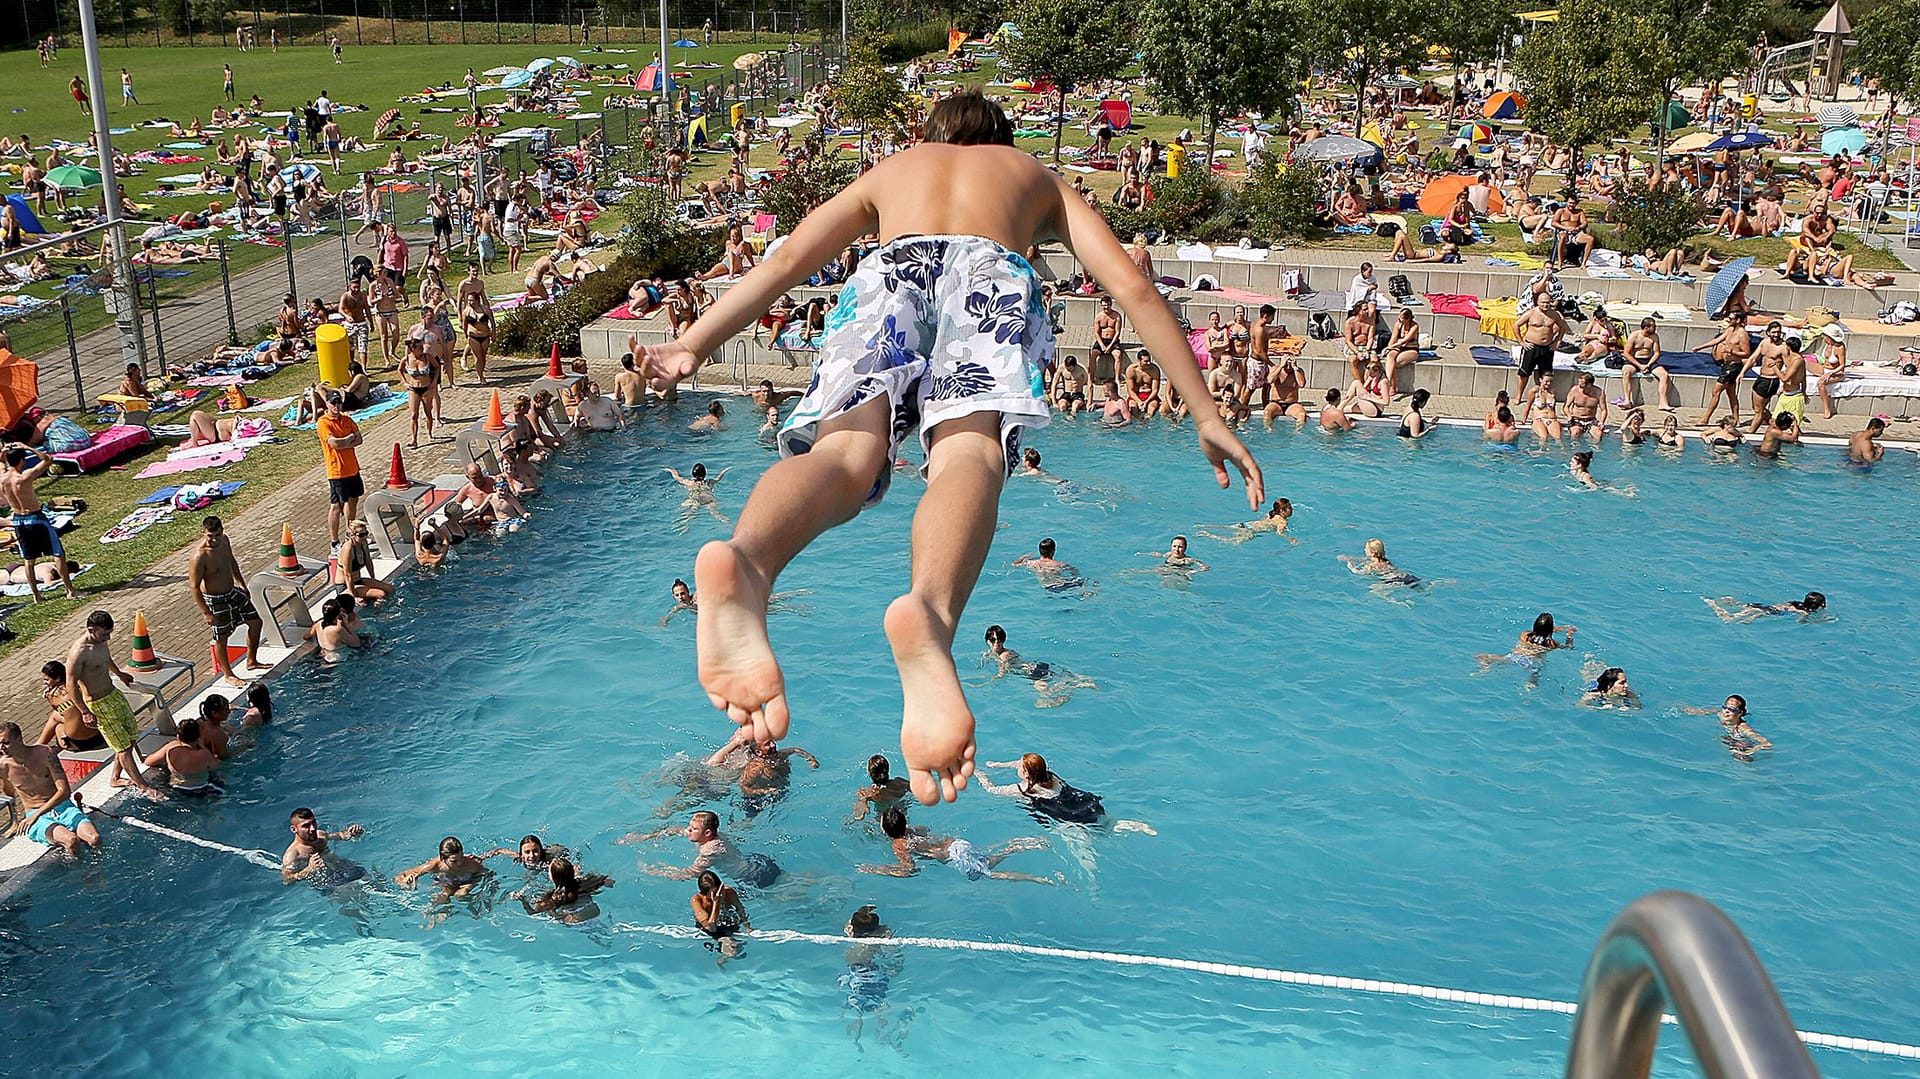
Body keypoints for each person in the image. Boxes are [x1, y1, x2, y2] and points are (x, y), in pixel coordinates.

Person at [632, 91, 1261, 805]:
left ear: (931, 136)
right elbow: (1130, 287)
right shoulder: (1035, 176)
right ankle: (927, 612)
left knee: (843, 456)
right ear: (1003, 136)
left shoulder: (893, 170)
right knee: (969, 457)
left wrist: (692, 342)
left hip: (888, 275)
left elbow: (785, 263)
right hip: (988, 279)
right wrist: (1204, 411)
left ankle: (745, 561)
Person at [65, 611, 160, 796]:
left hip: (113, 695)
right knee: (122, 747)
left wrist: (120, 674)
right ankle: (143, 786)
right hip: (98, 704)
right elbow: (71, 685)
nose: (107, 638)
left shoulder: (100, 642)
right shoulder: (79, 652)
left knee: (131, 736)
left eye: (109, 634)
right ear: (91, 630)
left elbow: (106, 659)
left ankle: (115, 778)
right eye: (104, 634)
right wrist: (84, 712)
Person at [861, 806, 1058, 884]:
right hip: (957, 844)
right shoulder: (914, 829)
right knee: (986, 858)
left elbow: (908, 870)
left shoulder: (898, 845)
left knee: (989, 874)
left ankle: (1038, 879)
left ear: (886, 831)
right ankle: (1018, 845)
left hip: (953, 858)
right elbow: (926, 830)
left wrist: (877, 870)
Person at [976, 752, 1155, 834]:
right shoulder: (1051, 776)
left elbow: (991, 790)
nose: (1016, 765)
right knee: (1108, 823)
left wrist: (979, 773)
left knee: (1081, 847)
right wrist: (999, 765)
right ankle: (1132, 826)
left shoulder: (1021, 790)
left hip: (1067, 819)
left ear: (1026, 774)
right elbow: (1027, 764)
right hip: (1081, 804)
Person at [1, 721, 102, 856]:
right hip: (36, 815)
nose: (1, 747)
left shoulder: (44, 753)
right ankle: (80, 875)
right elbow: (8, 793)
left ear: (19, 739)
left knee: (95, 839)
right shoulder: (3, 767)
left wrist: (38, 814)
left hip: (63, 807)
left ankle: (99, 873)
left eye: (5, 742)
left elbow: (64, 791)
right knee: (71, 840)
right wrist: (15, 821)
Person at [187, 515, 263, 686]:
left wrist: (242, 584)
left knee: (256, 622)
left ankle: (252, 661)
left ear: (222, 531)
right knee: (222, 637)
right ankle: (228, 674)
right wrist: (206, 612)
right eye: (209, 536)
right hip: (215, 601)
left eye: (217, 535)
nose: (214, 540)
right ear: (203, 533)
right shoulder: (200, 556)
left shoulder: (225, 541)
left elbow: (232, 562)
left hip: (232, 592)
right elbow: (194, 587)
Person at [625, 810, 781, 888]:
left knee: (784, 894)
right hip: (757, 861)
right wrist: (646, 836)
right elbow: (676, 829)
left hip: (751, 876)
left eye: (693, 829)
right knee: (786, 879)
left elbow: (690, 874)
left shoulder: (710, 851)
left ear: (707, 833)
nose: (688, 830)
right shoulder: (716, 835)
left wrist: (655, 872)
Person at [1, 444, 79, 601]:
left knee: (29, 560)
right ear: (22, 460)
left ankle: (37, 595)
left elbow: (1, 462)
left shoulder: (2, 478)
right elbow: (47, 459)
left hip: (18, 521)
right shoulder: (24, 477)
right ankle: (70, 591)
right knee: (58, 554)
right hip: (36, 518)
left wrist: (3, 453)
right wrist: (27, 447)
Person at [982, 623, 1097, 708]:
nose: (997, 643)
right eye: (993, 640)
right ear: (987, 640)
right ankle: (1080, 681)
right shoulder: (1004, 651)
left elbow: (1002, 673)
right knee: (1052, 685)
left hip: (1033, 673)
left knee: (1045, 696)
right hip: (1038, 666)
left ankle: (1075, 686)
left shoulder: (1004, 655)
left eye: (1000, 639)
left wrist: (993, 680)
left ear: (1004, 640)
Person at [316, 391, 364, 549]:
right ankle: (334, 542)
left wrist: (345, 442)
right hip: (337, 471)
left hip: (352, 469)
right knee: (336, 505)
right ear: (327, 404)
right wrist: (348, 439)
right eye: (333, 403)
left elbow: (360, 439)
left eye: (338, 402)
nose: (336, 406)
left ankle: (350, 533)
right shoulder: (323, 423)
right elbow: (335, 443)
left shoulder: (347, 419)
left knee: (353, 500)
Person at [1475, 612, 1575, 682]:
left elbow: (1540, 632)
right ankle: (1529, 687)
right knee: (1534, 676)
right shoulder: (1552, 644)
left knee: (1482, 656)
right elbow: (1568, 647)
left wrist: (1558, 629)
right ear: (1550, 629)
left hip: (1515, 657)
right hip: (1532, 663)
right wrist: (1569, 635)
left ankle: (1485, 668)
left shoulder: (1524, 635)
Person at [280, 806, 366, 885]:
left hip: (344, 867)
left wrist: (352, 833)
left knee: (376, 882)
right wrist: (309, 869)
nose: (313, 828)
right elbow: (287, 880)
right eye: (306, 826)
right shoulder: (292, 855)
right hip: (329, 883)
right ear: (294, 829)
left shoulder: (320, 835)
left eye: (313, 823)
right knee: (358, 897)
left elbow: (340, 835)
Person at [1697, 312, 1754, 427]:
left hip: (1734, 366)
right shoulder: (1730, 330)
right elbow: (1717, 340)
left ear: (1738, 320)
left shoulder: (1742, 335)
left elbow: (1747, 353)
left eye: (1732, 318)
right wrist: (1701, 347)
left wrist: (1732, 351)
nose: (1729, 319)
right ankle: (1736, 420)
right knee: (1731, 393)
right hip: (1726, 365)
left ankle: (1706, 418)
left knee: (1716, 391)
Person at [141, 718, 221, 798]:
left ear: (178, 736)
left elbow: (148, 762)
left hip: (177, 790)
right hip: (202, 789)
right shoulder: (204, 754)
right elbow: (217, 765)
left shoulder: (171, 748)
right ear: (198, 736)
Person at [517, 858, 611, 924]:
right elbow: (609, 882)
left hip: (575, 922)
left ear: (553, 878)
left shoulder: (551, 899)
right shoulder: (584, 883)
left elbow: (532, 912)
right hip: (594, 913)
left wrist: (522, 900)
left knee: (554, 914)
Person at [1681, 694, 1773, 760]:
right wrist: (1687, 709)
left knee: (1739, 758)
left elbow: (1767, 743)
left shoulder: (1743, 728)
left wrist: (1749, 751)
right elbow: (1702, 711)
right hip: (1730, 737)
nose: (1726, 711)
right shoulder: (1721, 713)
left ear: (1740, 713)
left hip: (1742, 744)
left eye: (1731, 709)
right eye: (1725, 707)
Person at [36, 661, 102, 752]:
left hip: (78, 744)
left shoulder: (53, 696)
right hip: (98, 737)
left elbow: (59, 711)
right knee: (66, 714)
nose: (44, 682)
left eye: (47, 680)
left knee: (58, 725)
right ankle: (39, 744)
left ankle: (39, 745)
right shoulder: (79, 686)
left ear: (57, 678)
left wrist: (49, 695)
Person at [1513, 300, 1566, 405]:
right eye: (1543, 302)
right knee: (1524, 373)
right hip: (1531, 346)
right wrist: (1521, 342)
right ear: (1538, 303)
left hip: (1547, 347)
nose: (1545, 305)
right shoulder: (1531, 313)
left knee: (1545, 374)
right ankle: (1518, 396)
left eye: (1547, 302)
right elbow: (1516, 325)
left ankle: (1542, 397)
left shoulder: (1554, 315)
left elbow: (1562, 327)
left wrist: (1557, 341)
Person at [691, 869, 751, 962]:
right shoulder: (697, 900)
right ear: (705, 894)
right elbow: (711, 928)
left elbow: (740, 910)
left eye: (720, 889)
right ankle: (721, 959)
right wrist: (716, 903)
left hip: (727, 920)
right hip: (708, 927)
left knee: (738, 945)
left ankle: (724, 955)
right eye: (715, 893)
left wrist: (747, 927)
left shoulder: (729, 892)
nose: (720, 894)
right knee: (730, 948)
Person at [1619, 318, 1671, 411]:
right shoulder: (1634, 336)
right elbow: (1626, 353)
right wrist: (1639, 366)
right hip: (1635, 360)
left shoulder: (1654, 337)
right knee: (1626, 371)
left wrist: (1648, 364)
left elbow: (1657, 353)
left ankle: (1663, 402)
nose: (1655, 328)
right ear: (1646, 327)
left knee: (1664, 375)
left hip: (1648, 360)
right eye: (1653, 326)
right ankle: (1627, 400)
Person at [1196, 498, 1294, 545]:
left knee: (1225, 527)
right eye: (1289, 507)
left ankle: (1203, 526)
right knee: (1232, 542)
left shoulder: (1271, 514)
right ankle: (1208, 535)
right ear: (1282, 510)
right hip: (1250, 531)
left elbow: (1264, 521)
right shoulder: (1282, 522)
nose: (1292, 509)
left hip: (1246, 524)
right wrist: (1290, 539)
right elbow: (1279, 533)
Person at [338, 520, 393, 602]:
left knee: (390, 588)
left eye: (366, 534)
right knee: (380, 594)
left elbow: (368, 561)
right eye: (361, 535)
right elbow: (347, 574)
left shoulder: (363, 543)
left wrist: (373, 578)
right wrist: (353, 596)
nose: (364, 537)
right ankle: (377, 613)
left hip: (358, 580)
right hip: (346, 585)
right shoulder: (348, 548)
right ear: (352, 535)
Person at [1011, 537, 1089, 593]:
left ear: (1039, 551)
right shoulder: (1059, 564)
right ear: (1053, 551)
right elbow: (1075, 572)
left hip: (1046, 587)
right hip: (1060, 586)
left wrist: (1023, 557)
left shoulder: (1031, 563)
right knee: (1084, 581)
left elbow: (1014, 564)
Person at [849, 754, 914, 822]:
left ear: (869, 773)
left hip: (884, 820)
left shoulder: (869, 793)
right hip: (902, 815)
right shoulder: (901, 783)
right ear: (888, 769)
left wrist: (862, 805)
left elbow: (861, 808)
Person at [1704, 592, 1828, 624]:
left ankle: (1732, 603)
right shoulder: (1804, 612)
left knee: (1747, 609)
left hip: (1766, 607)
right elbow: (1800, 621)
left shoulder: (1795, 602)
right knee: (1728, 619)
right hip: (1771, 612)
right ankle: (1713, 605)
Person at [1340, 538, 1420, 587]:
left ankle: (1396, 601)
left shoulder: (1372, 565)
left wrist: (1351, 567)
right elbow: (1363, 559)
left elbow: (1360, 573)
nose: (1364, 550)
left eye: (1366, 548)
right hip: (1406, 576)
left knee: (1374, 590)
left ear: (1372, 552)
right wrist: (1348, 557)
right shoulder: (1384, 560)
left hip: (1394, 581)